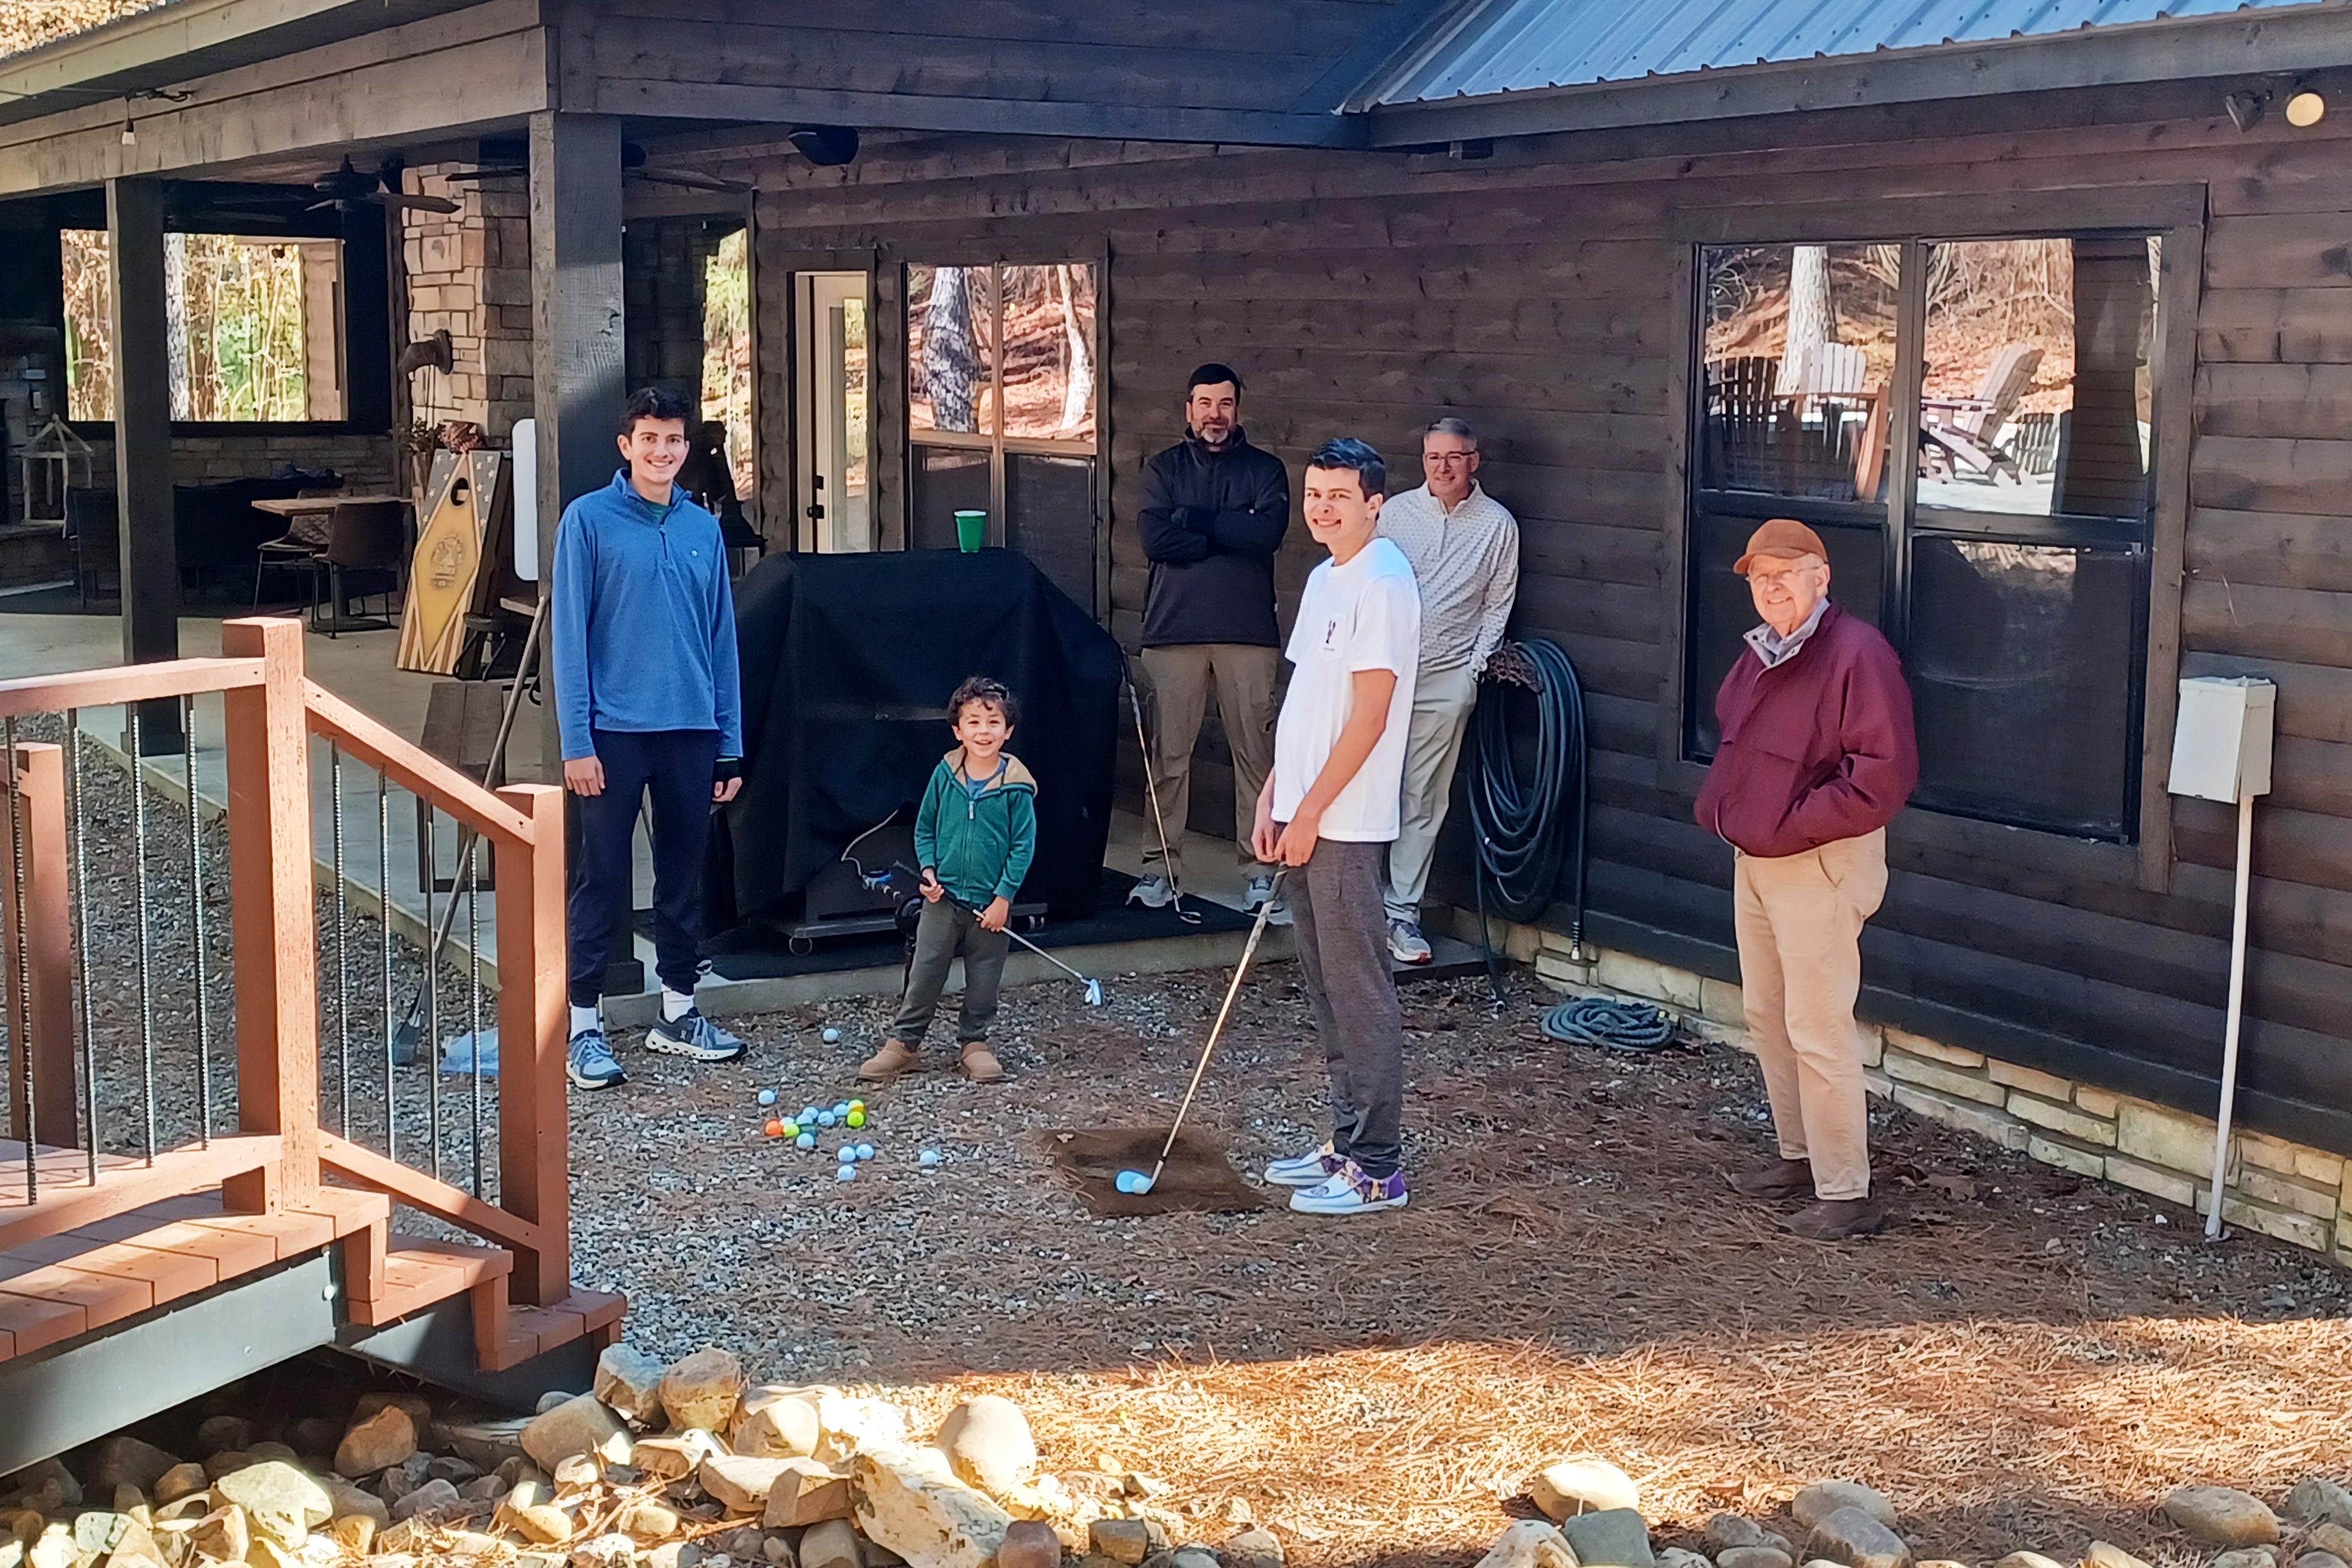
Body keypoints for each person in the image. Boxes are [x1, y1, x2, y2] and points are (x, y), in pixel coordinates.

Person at [1695, 518, 1917, 1241]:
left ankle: (1847, 1194)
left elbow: (1882, 777)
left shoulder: (1857, 653)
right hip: (1759, 857)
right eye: (1760, 576)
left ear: (1822, 577)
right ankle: (1800, 1157)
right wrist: (1750, 823)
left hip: (1817, 860)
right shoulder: (1763, 653)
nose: (1771, 587)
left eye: (1786, 573)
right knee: (1768, 1013)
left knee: (1818, 1026)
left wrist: (1789, 824)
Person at [553, 385, 751, 1091]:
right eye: (650, 439)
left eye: (674, 441)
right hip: (613, 733)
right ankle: (583, 1024)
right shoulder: (588, 522)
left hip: (692, 731)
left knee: (683, 876)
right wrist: (576, 741)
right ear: (625, 446)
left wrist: (730, 740)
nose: (662, 452)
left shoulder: (702, 527)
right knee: (601, 877)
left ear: (686, 448)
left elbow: (722, 640)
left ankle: (679, 1011)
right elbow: (569, 640)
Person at [1255, 438, 1421, 1216]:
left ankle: (1378, 1165)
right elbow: (1306, 702)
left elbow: (1371, 715)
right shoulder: (1325, 576)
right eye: (1315, 493)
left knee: (1359, 987)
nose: (1323, 507)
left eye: (1339, 496)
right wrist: (1276, 795)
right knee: (1324, 982)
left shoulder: (1384, 582)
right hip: (1304, 809)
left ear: (1375, 503)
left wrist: (1314, 809)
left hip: (1345, 821)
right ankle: (1345, 1138)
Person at [1131, 363, 1290, 922]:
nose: (1214, 415)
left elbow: (1265, 535)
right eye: (1204, 403)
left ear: (1237, 409)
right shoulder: (1164, 468)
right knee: (1169, 759)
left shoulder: (1266, 470)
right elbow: (1156, 539)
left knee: (1256, 756)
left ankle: (1261, 872)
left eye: (1224, 403)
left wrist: (1194, 520)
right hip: (1174, 632)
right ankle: (1160, 869)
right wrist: (1230, 528)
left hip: (1248, 633)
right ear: (1188, 409)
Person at [1373, 417, 1520, 965]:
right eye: (1434, 457)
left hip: (1445, 680)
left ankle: (1401, 914)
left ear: (1474, 461)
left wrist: (1472, 672)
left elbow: (1498, 604)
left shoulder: (1497, 525)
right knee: (1367, 787)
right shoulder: (1393, 515)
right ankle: (1356, 907)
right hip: (1384, 676)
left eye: (1455, 457)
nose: (1443, 467)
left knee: (1423, 797)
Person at [859, 676, 1038, 1086]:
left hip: (989, 908)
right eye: (973, 723)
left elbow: (1022, 847)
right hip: (943, 901)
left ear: (1008, 731)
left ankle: (974, 1044)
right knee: (925, 972)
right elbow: (925, 830)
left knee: (984, 979)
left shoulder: (1017, 788)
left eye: (993, 723)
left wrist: (1003, 898)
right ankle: (904, 1044)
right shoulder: (945, 774)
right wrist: (928, 872)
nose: (983, 732)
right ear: (958, 730)